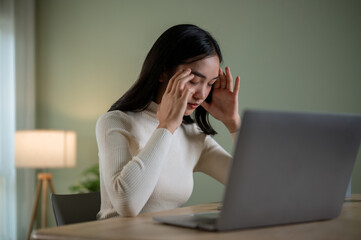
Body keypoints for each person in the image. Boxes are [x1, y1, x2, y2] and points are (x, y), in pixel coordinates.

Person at [96, 24, 241, 219]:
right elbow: (128, 205)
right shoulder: (115, 122)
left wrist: (233, 122)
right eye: (193, 81)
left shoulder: (193, 135)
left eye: (210, 84)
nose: (202, 94)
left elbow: (255, 186)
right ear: (163, 72)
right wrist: (166, 126)